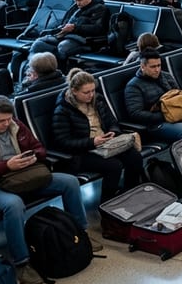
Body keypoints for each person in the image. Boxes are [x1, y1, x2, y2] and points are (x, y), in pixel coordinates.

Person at [0, 95, 103, 284]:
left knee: (69, 182)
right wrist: (6, 166)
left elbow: (39, 148)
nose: (6, 124)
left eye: (9, 119)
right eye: (1, 121)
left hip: (25, 175)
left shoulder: (16, 126)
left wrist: (32, 157)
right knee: (13, 205)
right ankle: (22, 262)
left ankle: (80, 232)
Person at [51, 69, 144, 201]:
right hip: (83, 152)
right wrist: (92, 142)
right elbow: (63, 141)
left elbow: (112, 121)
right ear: (74, 91)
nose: (91, 95)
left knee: (134, 157)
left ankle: (131, 193)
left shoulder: (98, 100)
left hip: (106, 144)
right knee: (114, 166)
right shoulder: (63, 110)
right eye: (86, 92)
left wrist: (113, 131)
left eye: (93, 90)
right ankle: (108, 202)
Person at [27, 0, 109, 68]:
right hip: (66, 35)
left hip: (84, 40)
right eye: (75, 0)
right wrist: (63, 28)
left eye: (79, 0)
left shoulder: (100, 9)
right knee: (38, 44)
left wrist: (75, 28)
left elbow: (98, 28)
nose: (77, 3)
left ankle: (55, 72)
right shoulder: (76, 7)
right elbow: (66, 21)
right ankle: (31, 68)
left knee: (62, 48)